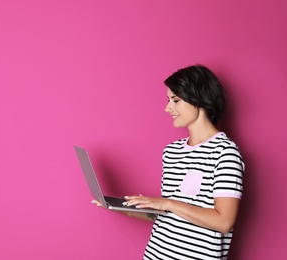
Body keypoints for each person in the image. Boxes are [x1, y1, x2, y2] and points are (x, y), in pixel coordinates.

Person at [92, 64, 244, 260]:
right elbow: (165, 215)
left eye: (176, 100)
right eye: (168, 100)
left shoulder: (225, 152)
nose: (167, 108)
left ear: (200, 100)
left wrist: (167, 203)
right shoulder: (171, 151)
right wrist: (122, 208)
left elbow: (224, 221)